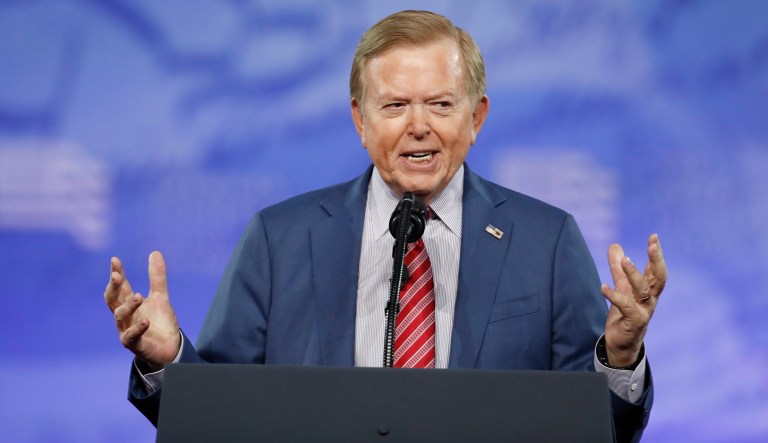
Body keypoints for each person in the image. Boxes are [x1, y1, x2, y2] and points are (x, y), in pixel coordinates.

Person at [105, 10, 667, 442]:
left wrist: (618, 358)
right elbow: (219, 416)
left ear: (477, 118)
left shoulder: (546, 240)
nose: (417, 127)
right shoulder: (280, 239)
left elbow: (598, 429)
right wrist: (168, 358)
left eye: (441, 106)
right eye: (395, 106)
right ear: (360, 119)